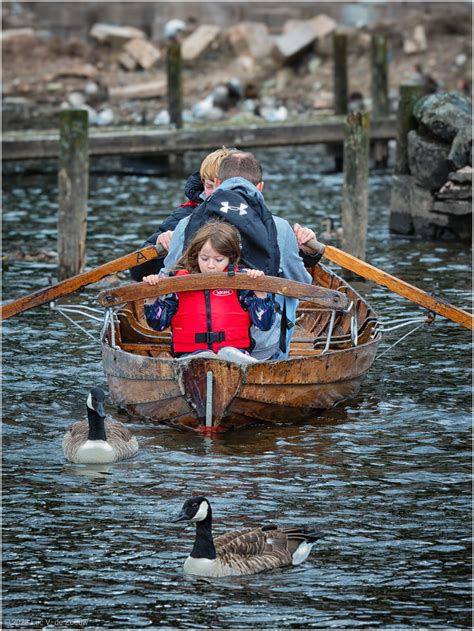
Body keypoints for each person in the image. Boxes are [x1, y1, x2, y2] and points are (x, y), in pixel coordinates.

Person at [161, 151, 322, 360]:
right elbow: (300, 285)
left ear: (217, 183)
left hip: (193, 346)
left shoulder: (185, 224)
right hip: (261, 349)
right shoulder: (280, 228)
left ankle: (204, 355)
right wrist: (306, 253)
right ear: (260, 187)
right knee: (285, 294)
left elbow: (166, 280)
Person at [142, 222, 276, 363]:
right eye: (204, 259)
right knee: (199, 359)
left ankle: (235, 359)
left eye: (219, 260)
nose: (210, 265)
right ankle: (201, 359)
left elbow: (264, 324)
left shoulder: (242, 283)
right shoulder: (179, 282)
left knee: (229, 353)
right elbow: (158, 324)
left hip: (235, 353)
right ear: (197, 255)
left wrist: (260, 293)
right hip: (190, 357)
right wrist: (152, 298)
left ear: (230, 258)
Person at [130, 147, 238, 281]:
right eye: (210, 186)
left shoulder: (254, 217)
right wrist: (159, 246)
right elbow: (138, 272)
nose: (216, 193)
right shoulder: (184, 215)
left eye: (222, 187)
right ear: (203, 184)